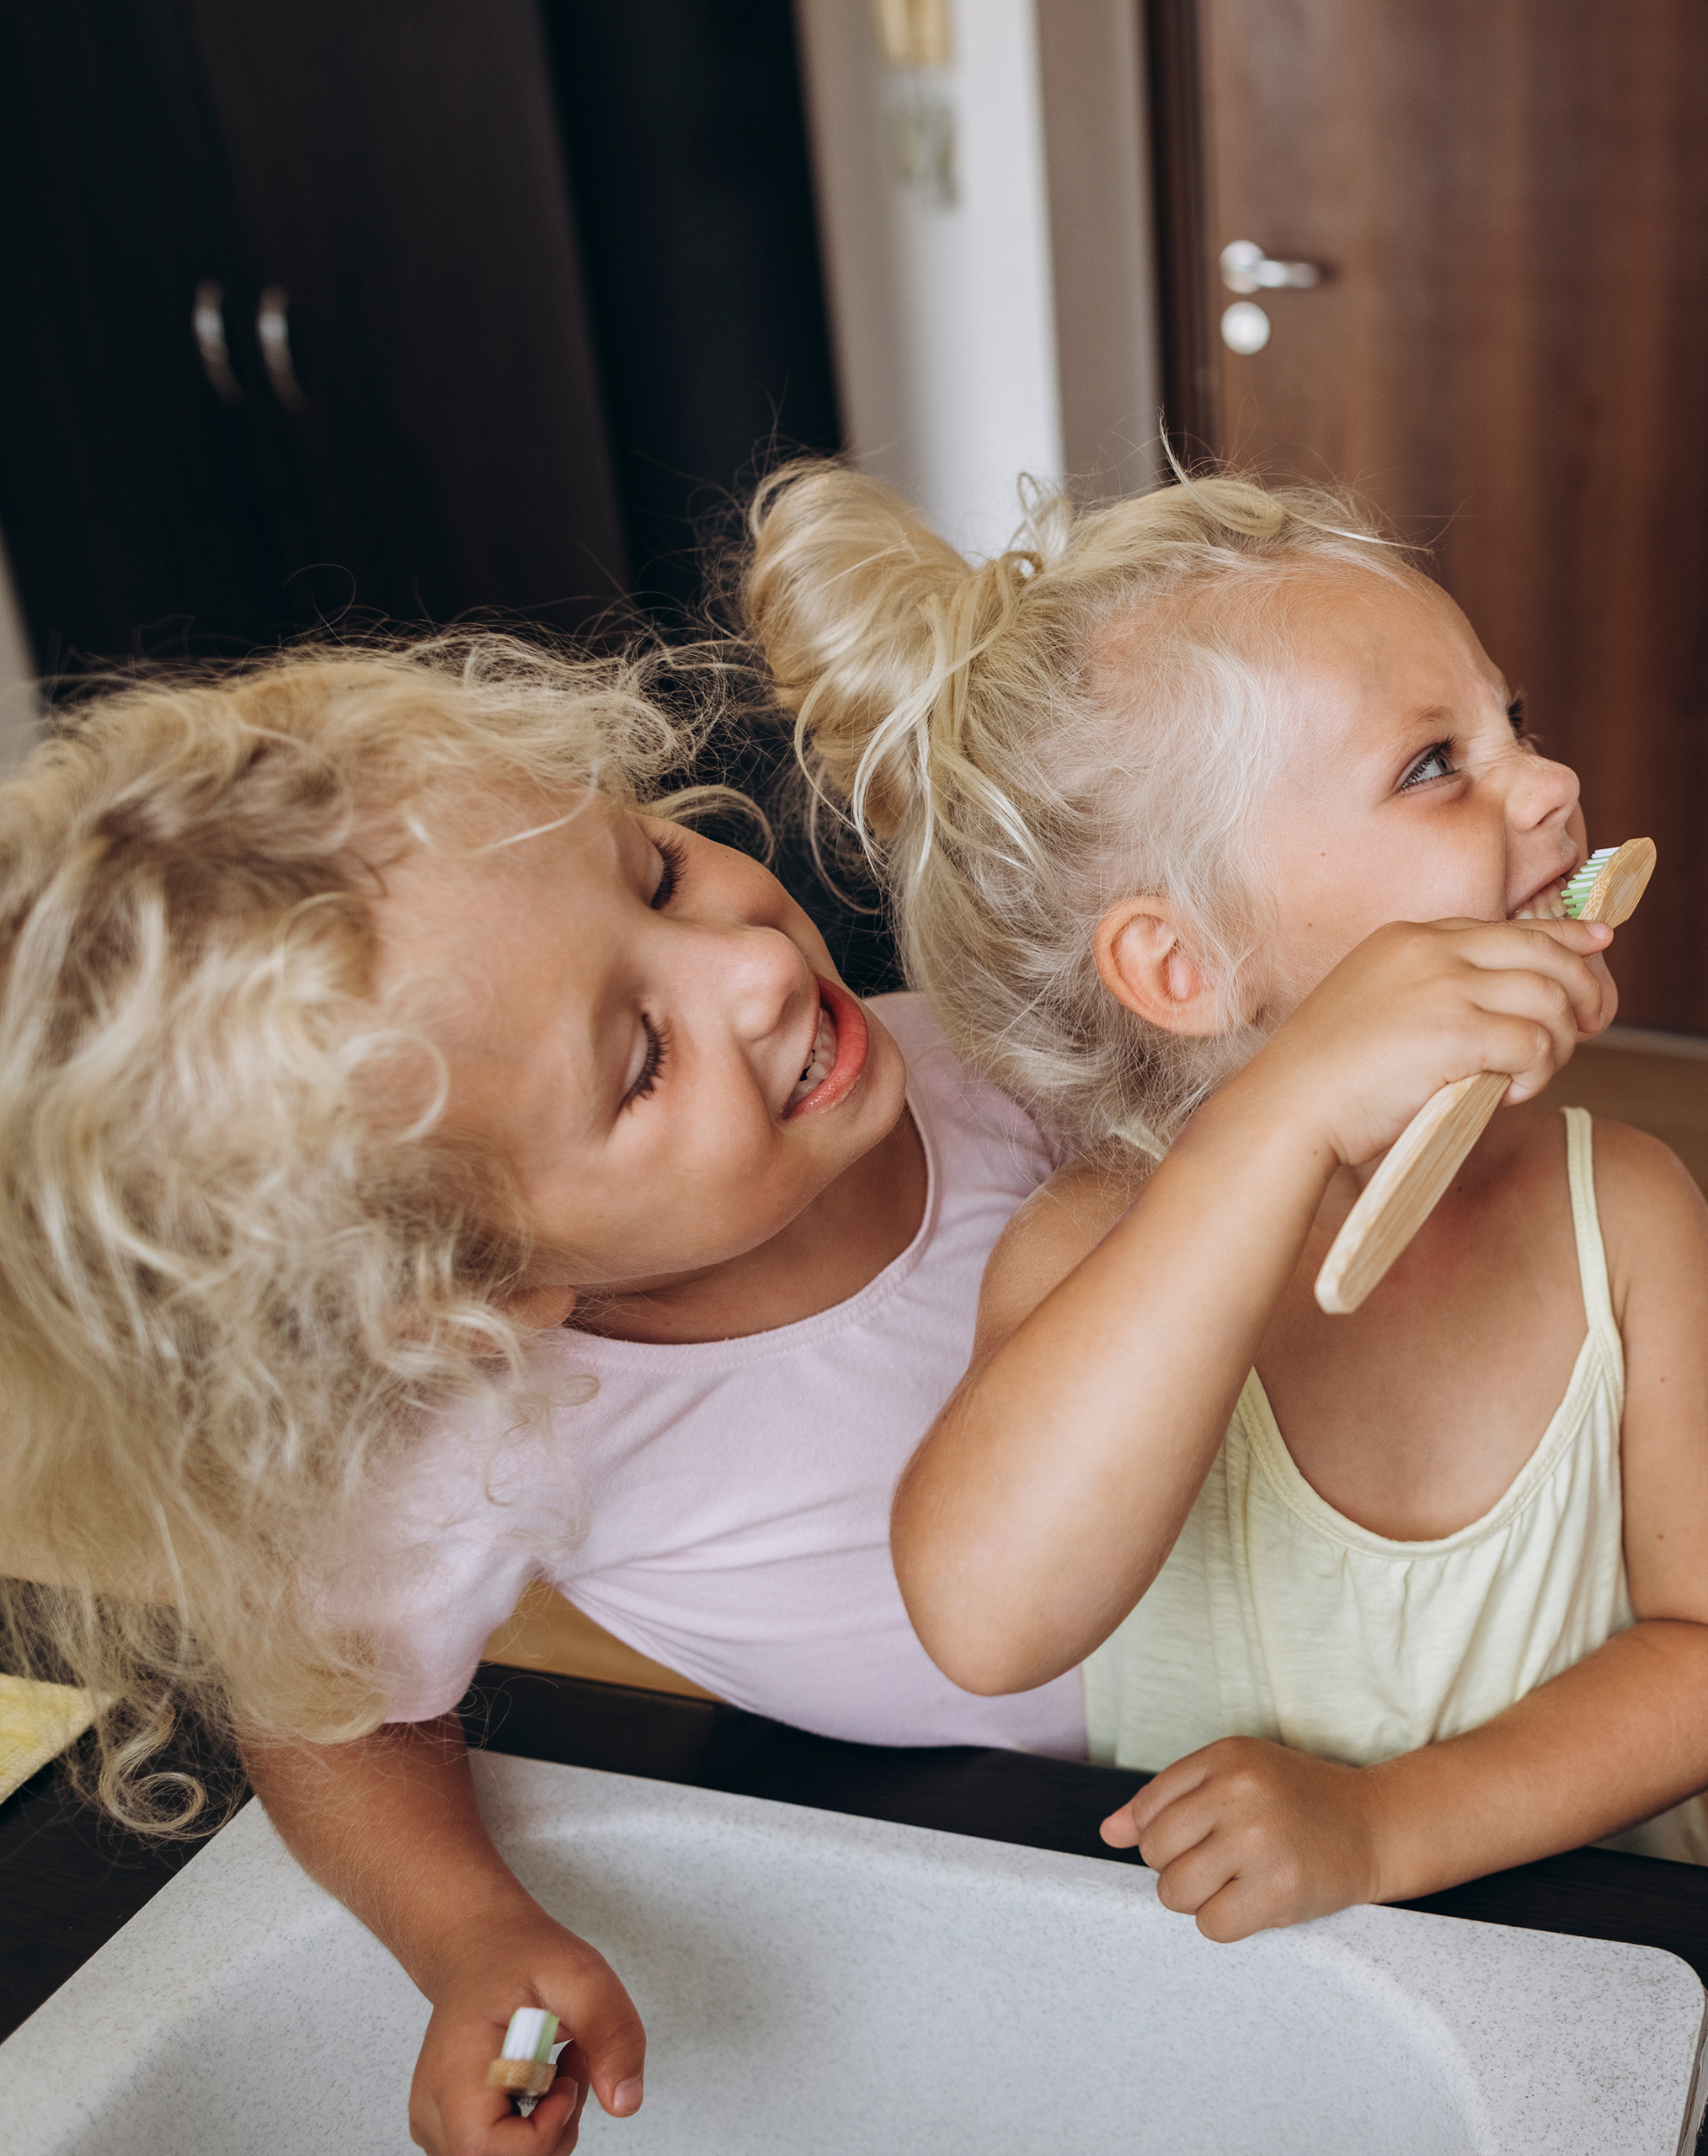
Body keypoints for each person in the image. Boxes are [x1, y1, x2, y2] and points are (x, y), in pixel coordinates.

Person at [0, 638, 1068, 2156]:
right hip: (1054, 1841)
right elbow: (331, 1724)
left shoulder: (995, 1038)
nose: (759, 966)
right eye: (639, 1061)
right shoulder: (494, 1434)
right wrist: (468, 1938)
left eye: (655, 876)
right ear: (477, 1286)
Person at [739, 462, 1708, 1943]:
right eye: (1434, 764)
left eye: (1516, 721)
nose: (1554, 784)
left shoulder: (1624, 1212)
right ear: (1188, 966)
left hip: (1597, 1962)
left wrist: (1384, 1826)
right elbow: (986, 1625)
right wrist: (1285, 1121)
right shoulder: (1089, 1258)